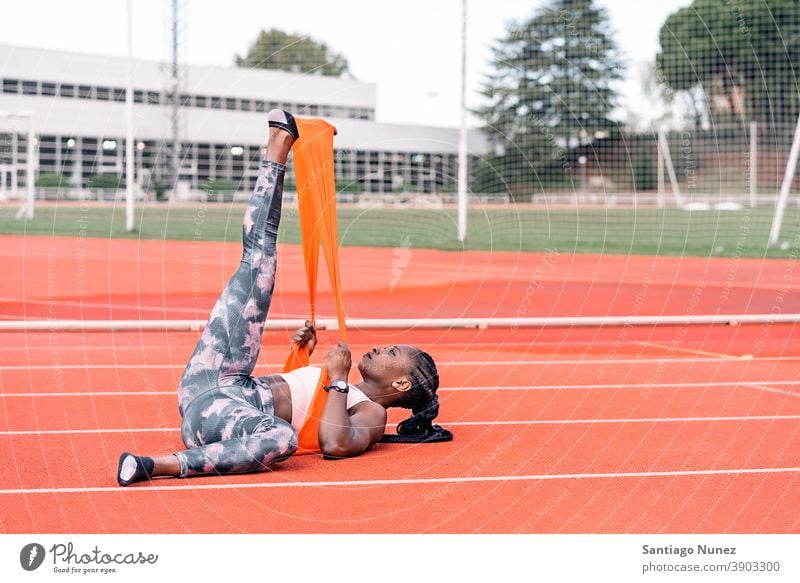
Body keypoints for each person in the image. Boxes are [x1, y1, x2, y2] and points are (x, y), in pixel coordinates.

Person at [117, 110, 451, 486]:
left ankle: (158, 465)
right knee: (257, 263)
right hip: (214, 381)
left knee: (282, 438)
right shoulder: (339, 387)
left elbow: (335, 444)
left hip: (223, 415)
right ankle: (277, 147)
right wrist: (302, 357)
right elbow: (299, 398)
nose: (380, 350)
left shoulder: (373, 413)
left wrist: (339, 378)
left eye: (392, 354)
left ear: (402, 385)